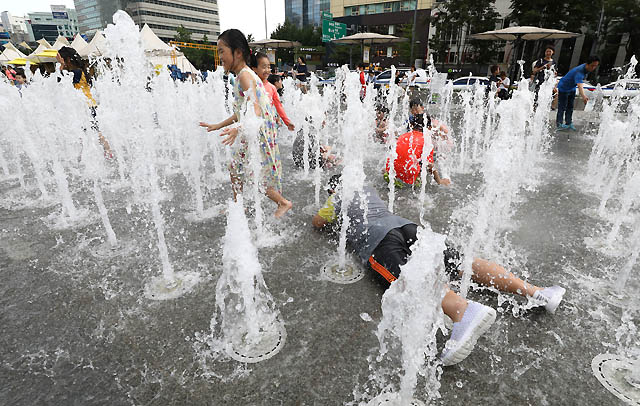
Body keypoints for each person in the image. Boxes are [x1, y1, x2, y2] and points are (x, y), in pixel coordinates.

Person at [312, 175, 567, 366]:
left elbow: (318, 222)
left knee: (407, 278)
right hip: (406, 227)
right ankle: (537, 292)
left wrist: (329, 207)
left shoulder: (337, 196)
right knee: (461, 263)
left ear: (335, 187)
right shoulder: (368, 191)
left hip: (379, 242)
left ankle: (462, 310)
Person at [199, 29, 292, 218]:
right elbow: (241, 111)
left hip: (256, 130)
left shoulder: (244, 75)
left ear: (238, 52)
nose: (220, 57)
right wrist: (219, 125)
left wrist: (238, 129)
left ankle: (283, 202)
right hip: (252, 127)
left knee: (254, 174)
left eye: (221, 51)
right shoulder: (242, 74)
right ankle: (238, 204)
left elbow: (255, 109)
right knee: (236, 167)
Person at [56, 46, 112, 157]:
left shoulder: (76, 72)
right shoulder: (80, 70)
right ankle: (97, 152)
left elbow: (60, 80)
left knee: (94, 131)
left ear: (67, 59)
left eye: (61, 59)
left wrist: (61, 65)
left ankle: (107, 151)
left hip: (86, 106)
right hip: (88, 105)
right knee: (88, 130)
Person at [385, 114, 451, 187]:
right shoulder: (427, 141)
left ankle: (390, 176)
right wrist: (440, 181)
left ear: (412, 125)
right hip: (407, 176)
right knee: (424, 161)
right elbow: (430, 166)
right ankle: (415, 180)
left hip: (390, 172)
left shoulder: (403, 136)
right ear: (429, 127)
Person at [250, 52, 295, 132]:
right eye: (264, 67)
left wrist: (287, 122)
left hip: (269, 125)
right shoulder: (251, 85)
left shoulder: (272, 87)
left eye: (268, 67)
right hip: (255, 125)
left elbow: (278, 106)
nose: (267, 70)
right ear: (254, 68)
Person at [556, 55, 600, 131]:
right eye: (592, 66)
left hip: (571, 87)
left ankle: (568, 123)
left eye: (595, 66)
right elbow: (580, 85)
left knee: (570, 107)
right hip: (564, 88)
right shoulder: (579, 71)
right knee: (562, 107)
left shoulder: (586, 69)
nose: (593, 68)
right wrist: (583, 97)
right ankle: (559, 124)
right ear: (587, 64)